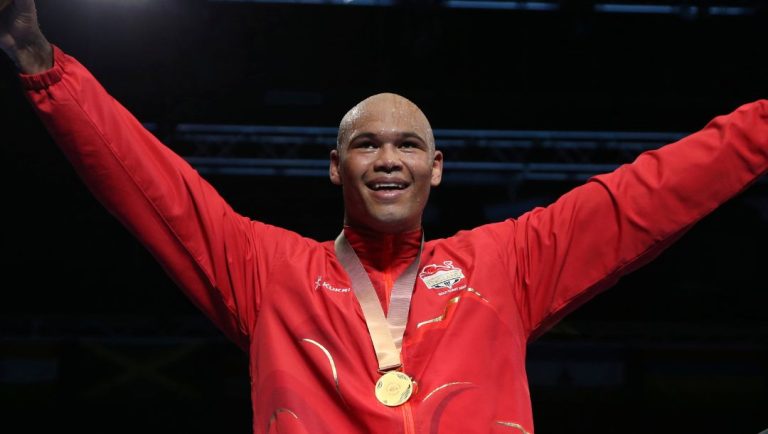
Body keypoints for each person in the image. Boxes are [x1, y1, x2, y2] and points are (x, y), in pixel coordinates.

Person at [2, 1, 767, 433]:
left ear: (438, 170)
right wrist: (43, 66)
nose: (388, 158)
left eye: (409, 144)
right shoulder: (268, 272)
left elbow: (650, 192)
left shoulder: (507, 263)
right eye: (366, 143)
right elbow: (153, 187)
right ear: (335, 168)